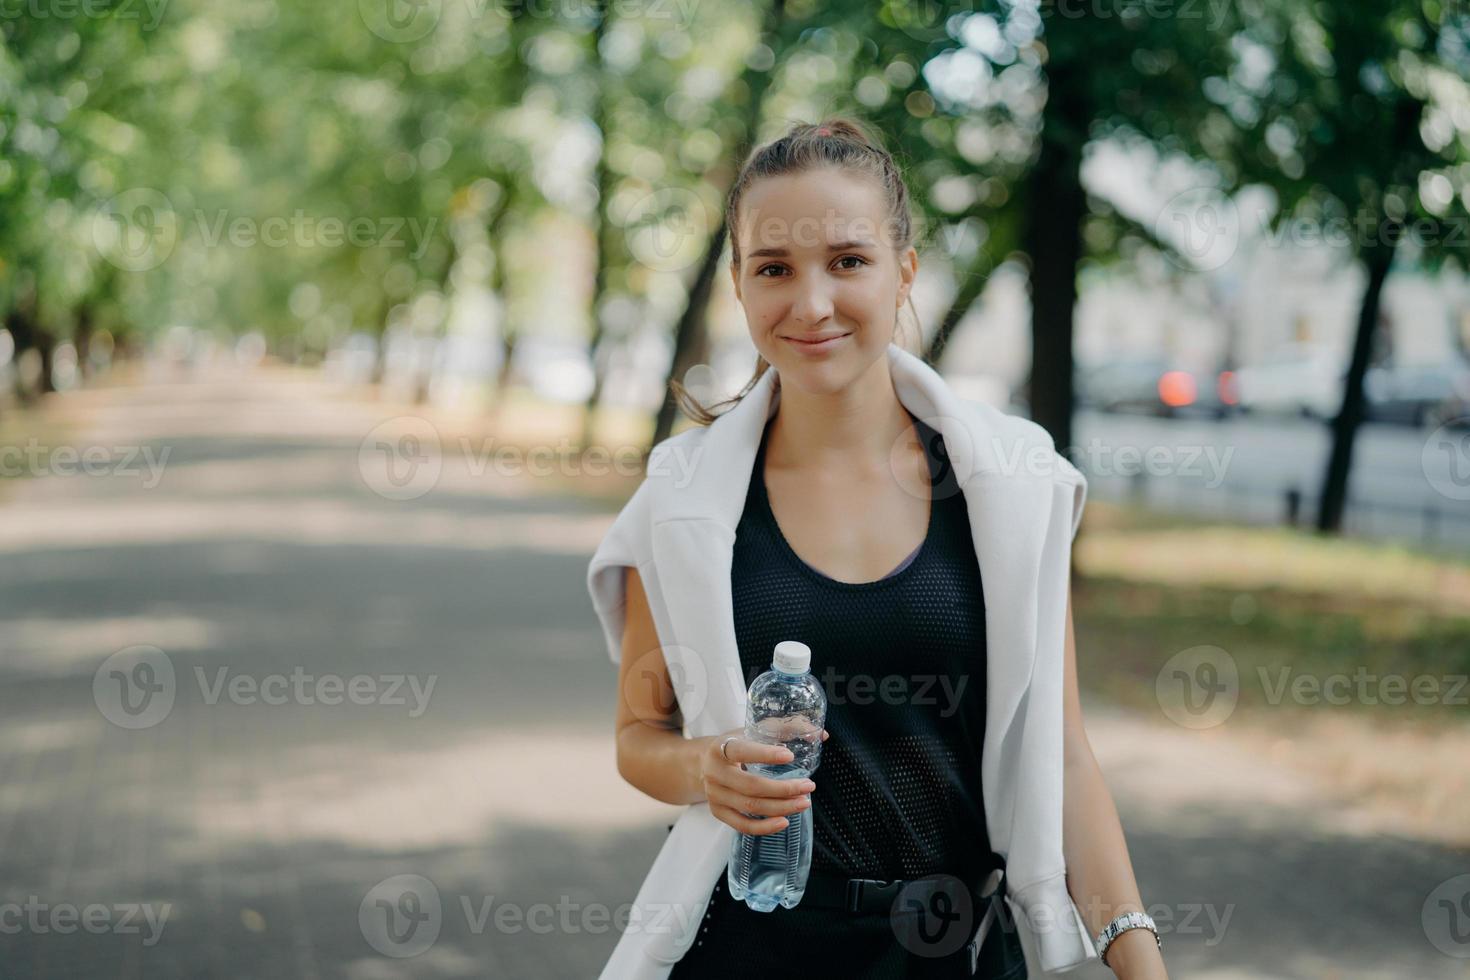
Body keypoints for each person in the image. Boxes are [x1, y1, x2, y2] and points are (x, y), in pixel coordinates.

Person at [606, 117, 1167, 979]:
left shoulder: (1010, 485)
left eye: (848, 260)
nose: (812, 302)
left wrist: (1140, 963)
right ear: (739, 285)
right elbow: (641, 737)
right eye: (774, 270)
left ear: (904, 269)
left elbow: (1063, 757)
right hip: (751, 948)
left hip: (951, 951)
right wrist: (704, 767)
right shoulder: (683, 498)